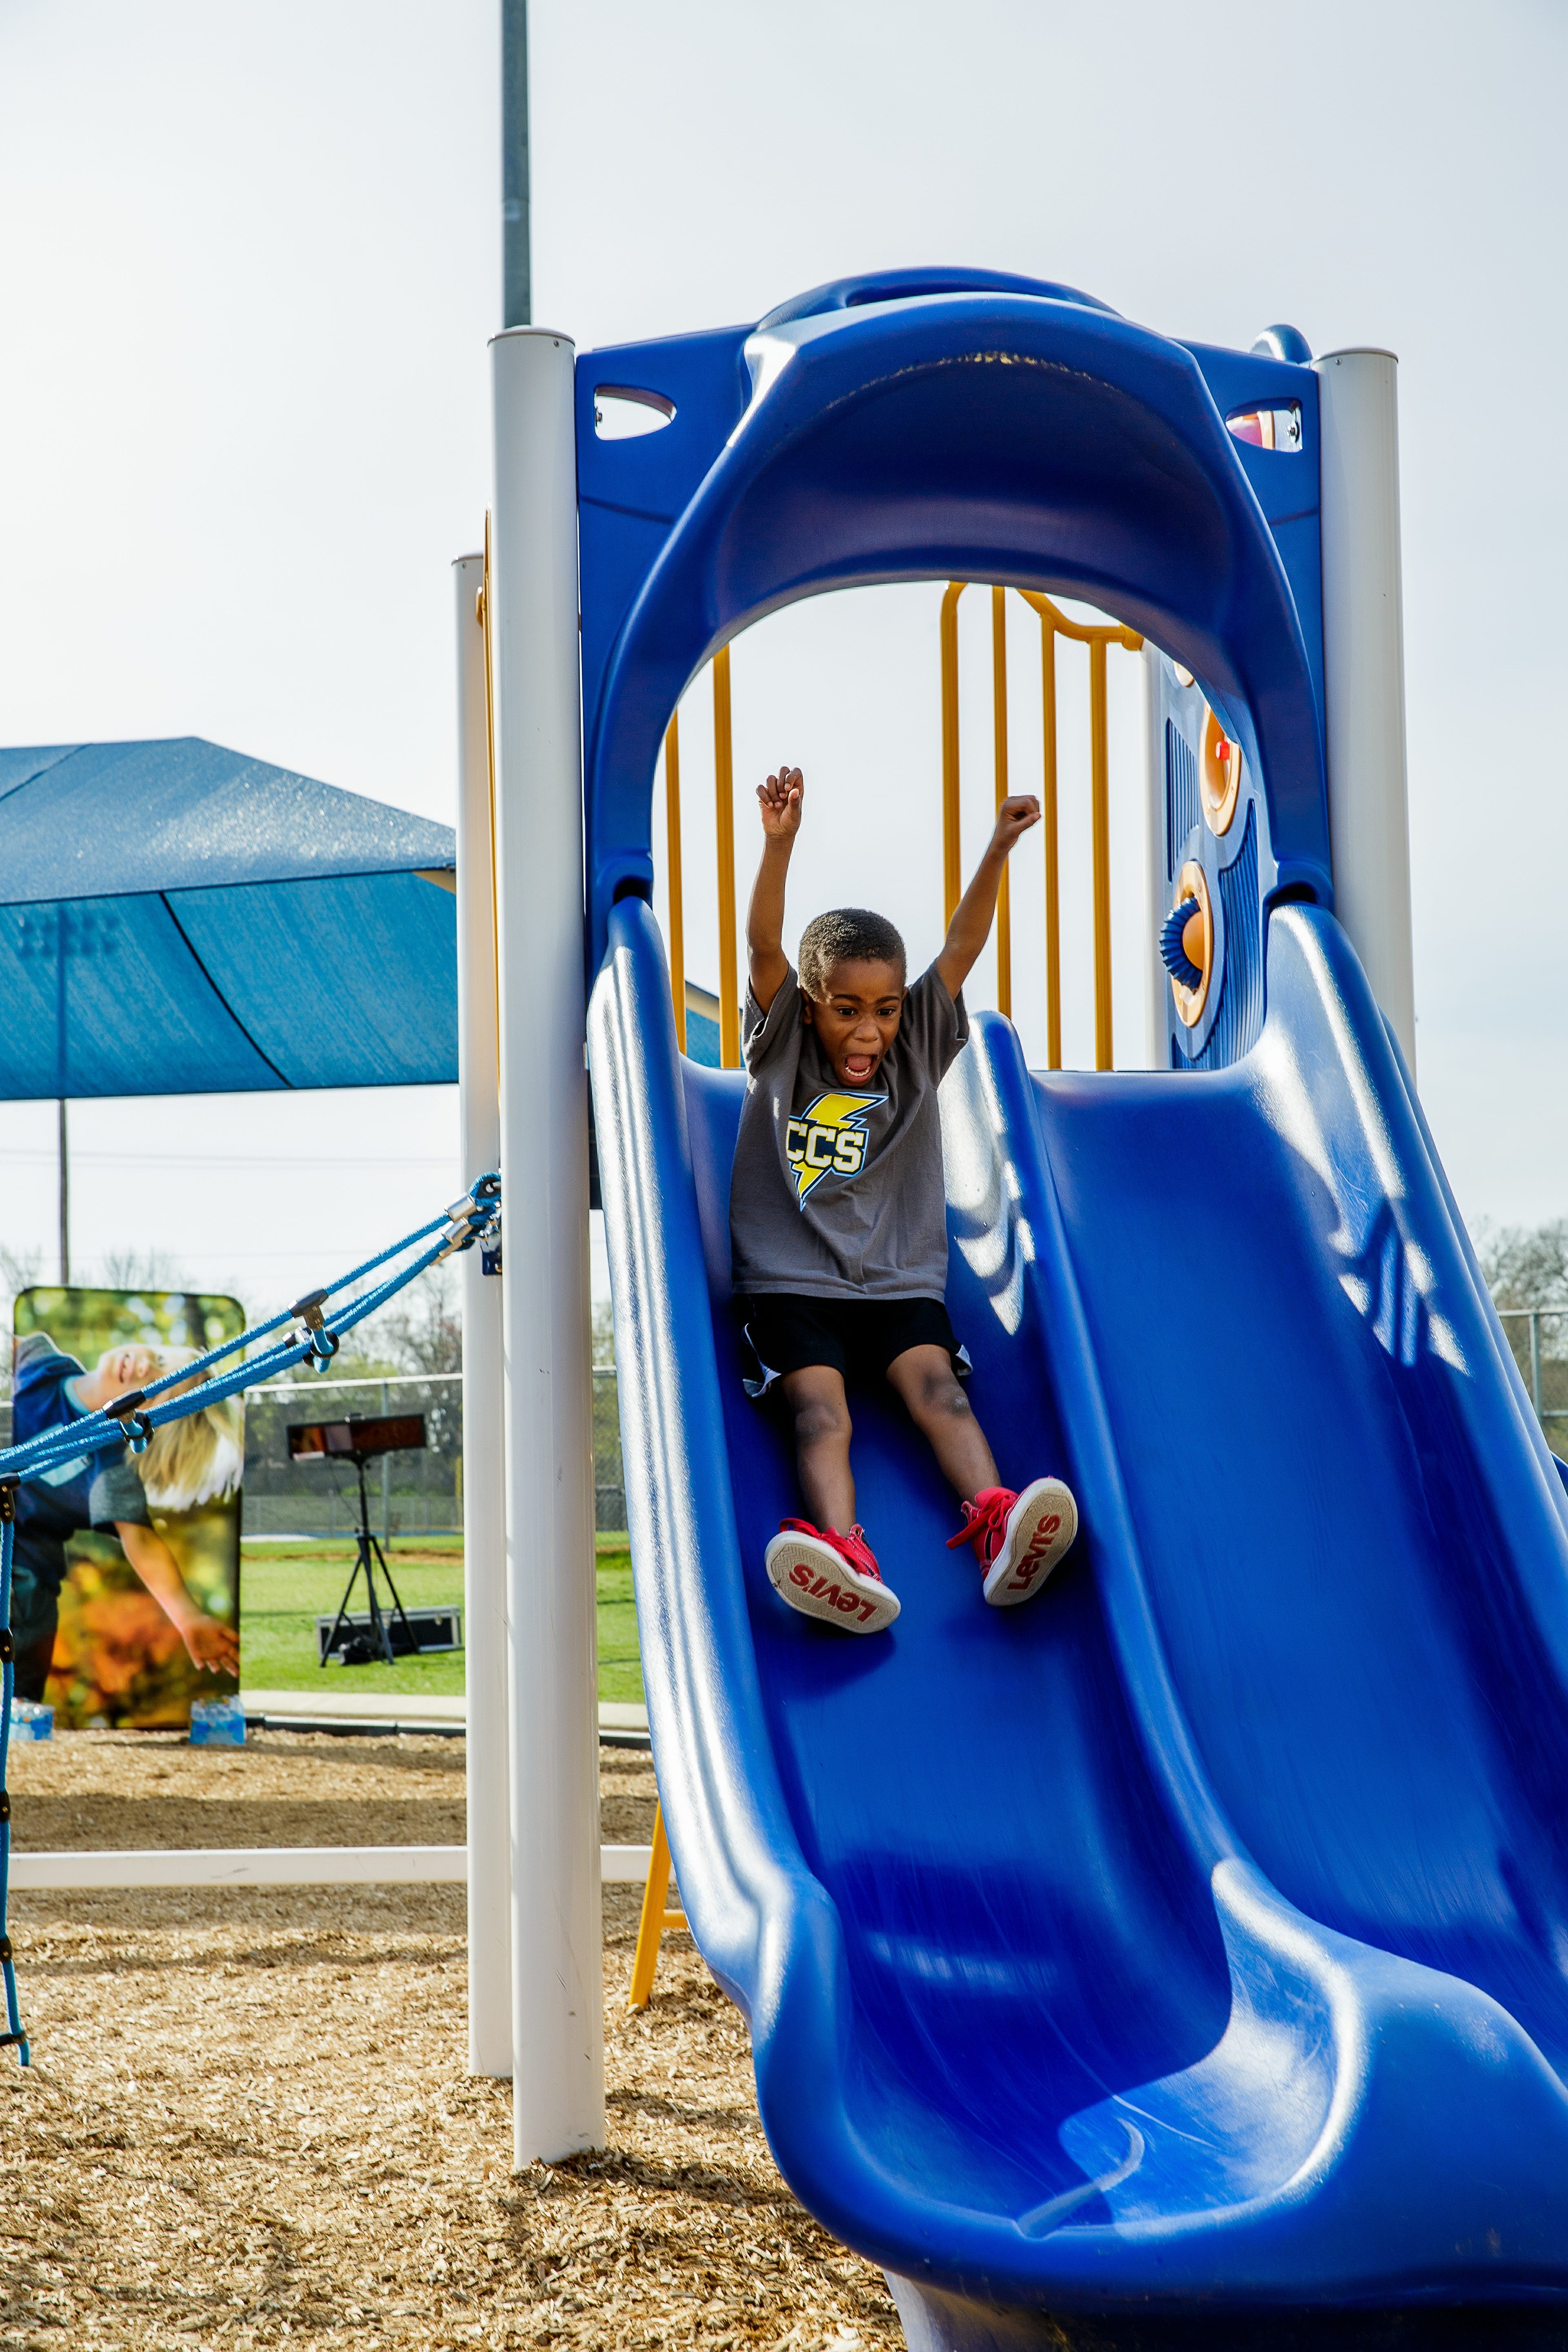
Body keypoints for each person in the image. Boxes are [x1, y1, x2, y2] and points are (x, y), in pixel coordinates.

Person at [730, 760, 1080, 1635]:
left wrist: (997, 847)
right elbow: (764, 950)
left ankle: (998, 1524)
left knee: (944, 1395)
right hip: (792, 1283)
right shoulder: (782, 1050)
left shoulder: (916, 1047)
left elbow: (959, 949)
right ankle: (845, 1552)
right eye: (847, 1008)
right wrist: (778, 848)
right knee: (821, 1413)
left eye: (884, 1009)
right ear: (810, 1007)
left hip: (897, 1286)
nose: (869, 1029)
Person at [8, 1333, 242, 1699]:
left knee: (27, 1608)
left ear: (145, 1431)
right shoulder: (41, 1364)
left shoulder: (111, 1467)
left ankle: (17, 1714)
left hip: (23, 1563)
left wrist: (188, 1618)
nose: (148, 1367)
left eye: (154, 1389)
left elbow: (141, 1540)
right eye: (162, 1360)